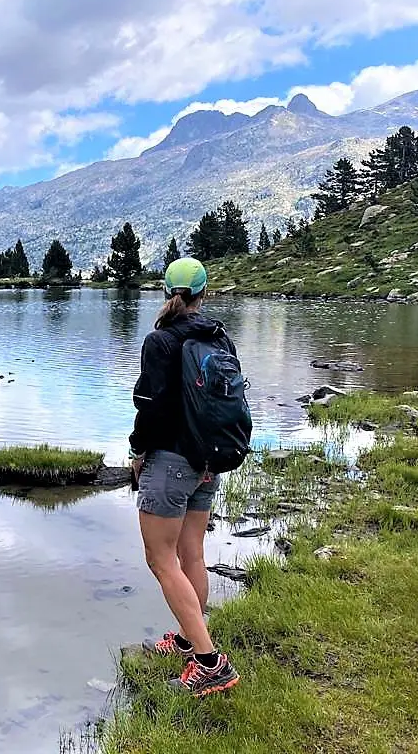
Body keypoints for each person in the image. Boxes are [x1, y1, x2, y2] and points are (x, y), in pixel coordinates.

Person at [128, 256, 241, 697]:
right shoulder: (218, 335)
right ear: (203, 293)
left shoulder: (160, 341)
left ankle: (210, 662)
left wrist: (138, 452)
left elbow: (149, 409)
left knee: (161, 560)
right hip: (208, 460)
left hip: (171, 463)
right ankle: (187, 640)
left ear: (165, 292)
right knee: (191, 551)